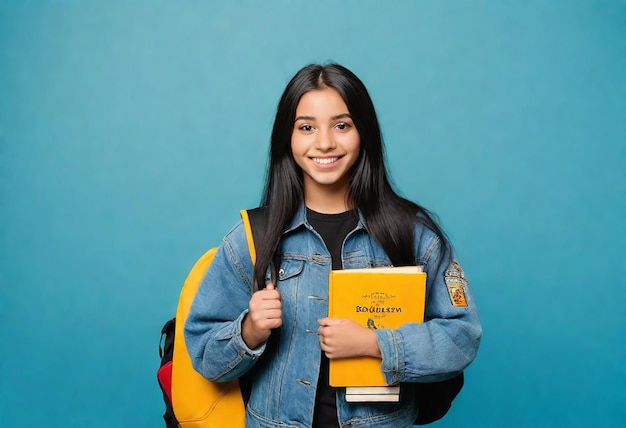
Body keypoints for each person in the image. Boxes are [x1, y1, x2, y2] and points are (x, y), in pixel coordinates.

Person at [184, 63, 482, 428]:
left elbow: (462, 336)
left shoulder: (414, 233)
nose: (324, 142)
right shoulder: (252, 238)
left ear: (363, 133)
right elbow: (202, 353)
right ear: (287, 139)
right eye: (306, 127)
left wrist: (376, 344)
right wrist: (250, 330)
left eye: (341, 125)